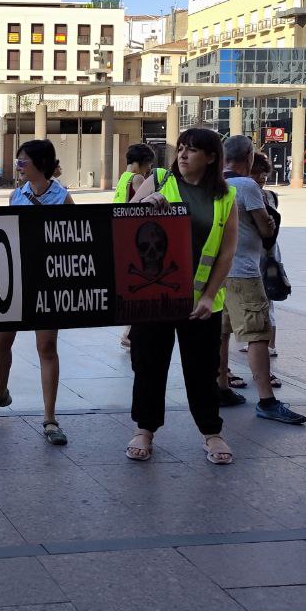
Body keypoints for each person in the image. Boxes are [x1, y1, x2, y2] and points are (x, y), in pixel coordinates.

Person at [126, 128, 237, 463]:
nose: (183, 155)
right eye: (182, 149)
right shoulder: (160, 179)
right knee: (149, 366)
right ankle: (144, 429)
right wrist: (147, 203)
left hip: (200, 302)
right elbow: (125, 222)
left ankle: (212, 433)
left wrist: (209, 295)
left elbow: (226, 252)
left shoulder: (225, 195)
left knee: (203, 370)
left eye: (192, 150)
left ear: (212, 157)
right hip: (154, 296)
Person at [0, 139, 74, 446]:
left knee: (46, 347)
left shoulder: (63, 197)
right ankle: (0, 394)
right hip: (15, 280)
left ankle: (50, 418)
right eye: (17, 162)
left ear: (39, 164)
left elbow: (74, 238)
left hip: (47, 280)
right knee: (2, 342)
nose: (18, 167)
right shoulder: (16, 195)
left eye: (22, 162)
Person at [215, 135, 306, 426]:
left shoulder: (211, 184)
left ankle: (221, 387)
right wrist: (266, 222)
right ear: (249, 159)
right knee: (257, 334)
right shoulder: (247, 185)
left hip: (215, 273)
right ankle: (267, 400)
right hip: (244, 271)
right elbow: (266, 228)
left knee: (222, 332)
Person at [114, 143, 163, 348]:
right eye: (148, 165)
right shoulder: (138, 178)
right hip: (134, 233)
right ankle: (129, 334)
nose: (149, 170)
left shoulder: (122, 178)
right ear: (142, 163)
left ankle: (129, 333)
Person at [243, 152, 281, 363]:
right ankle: (257, 342)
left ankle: (269, 344)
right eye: (256, 173)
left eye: (264, 174)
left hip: (265, 253)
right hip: (257, 252)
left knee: (266, 299)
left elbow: (268, 228)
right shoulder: (256, 194)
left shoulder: (266, 196)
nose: (261, 178)